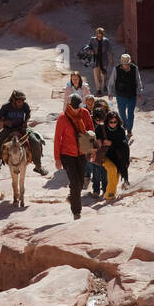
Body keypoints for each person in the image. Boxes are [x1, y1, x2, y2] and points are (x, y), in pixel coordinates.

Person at [0, 90, 48, 180]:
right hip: (8, 129)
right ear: (13, 100)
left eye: (22, 101)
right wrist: (5, 122)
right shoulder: (6, 106)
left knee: (35, 141)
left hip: (21, 128)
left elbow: (28, 114)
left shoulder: (25, 105)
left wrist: (25, 121)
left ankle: (38, 166)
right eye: (19, 101)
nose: (21, 103)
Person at [53, 93, 95, 221]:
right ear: (69, 105)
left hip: (81, 152)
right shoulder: (62, 118)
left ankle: (72, 198)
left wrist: (93, 149)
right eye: (75, 107)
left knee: (81, 182)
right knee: (75, 182)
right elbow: (57, 139)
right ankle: (77, 212)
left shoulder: (85, 113)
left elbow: (91, 131)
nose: (77, 109)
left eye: (78, 106)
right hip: (67, 154)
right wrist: (57, 158)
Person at [108, 53, 143, 134]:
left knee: (131, 113)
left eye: (127, 64)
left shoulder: (135, 68)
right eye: (124, 64)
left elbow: (138, 80)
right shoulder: (116, 69)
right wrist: (110, 92)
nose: (125, 66)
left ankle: (129, 129)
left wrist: (139, 92)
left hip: (132, 94)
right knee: (121, 112)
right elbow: (111, 81)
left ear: (129, 63)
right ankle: (124, 124)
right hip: (120, 95)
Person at [101, 110, 130, 200]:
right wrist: (103, 142)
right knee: (112, 169)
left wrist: (112, 144)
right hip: (105, 155)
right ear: (107, 121)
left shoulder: (120, 130)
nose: (113, 124)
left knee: (116, 175)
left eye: (115, 122)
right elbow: (96, 140)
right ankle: (108, 194)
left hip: (118, 156)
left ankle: (110, 195)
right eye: (111, 122)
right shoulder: (102, 129)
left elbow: (123, 144)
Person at [86, 27, 115, 95]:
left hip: (104, 59)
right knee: (96, 75)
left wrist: (111, 61)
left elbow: (109, 51)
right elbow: (88, 47)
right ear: (96, 34)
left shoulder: (106, 41)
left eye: (100, 35)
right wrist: (90, 51)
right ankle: (98, 89)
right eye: (98, 34)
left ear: (102, 35)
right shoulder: (92, 40)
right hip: (95, 59)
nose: (99, 36)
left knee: (104, 74)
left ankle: (104, 85)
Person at [90, 101, 109, 199]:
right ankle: (101, 190)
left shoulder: (101, 127)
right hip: (101, 153)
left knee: (100, 172)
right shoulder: (105, 126)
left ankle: (101, 190)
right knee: (100, 172)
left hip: (101, 153)